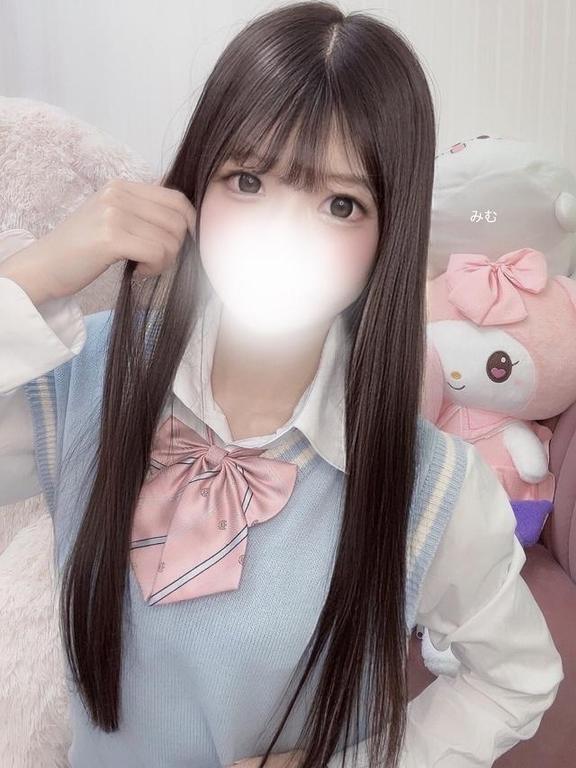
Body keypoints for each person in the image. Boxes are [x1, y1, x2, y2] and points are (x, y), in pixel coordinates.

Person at [0, 2, 564, 767]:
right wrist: (32, 277)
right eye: (247, 180)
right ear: (195, 186)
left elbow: (515, 679)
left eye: (341, 204)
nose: (283, 231)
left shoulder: (429, 484)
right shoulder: (88, 378)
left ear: (388, 237)